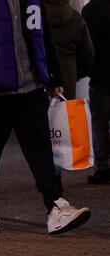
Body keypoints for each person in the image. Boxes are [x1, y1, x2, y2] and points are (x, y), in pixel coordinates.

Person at [0, 0, 91, 234]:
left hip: (31, 86)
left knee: (40, 150)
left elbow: (43, 35)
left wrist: (53, 76)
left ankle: (55, 205)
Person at [83, 0, 110, 184]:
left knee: (100, 123)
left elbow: (87, 45)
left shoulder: (90, 10)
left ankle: (103, 167)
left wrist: (86, 68)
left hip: (101, 74)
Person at [45, 0, 94, 100]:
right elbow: (88, 54)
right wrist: (75, 74)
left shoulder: (36, 19)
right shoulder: (77, 19)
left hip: (42, 78)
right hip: (68, 78)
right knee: (66, 114)